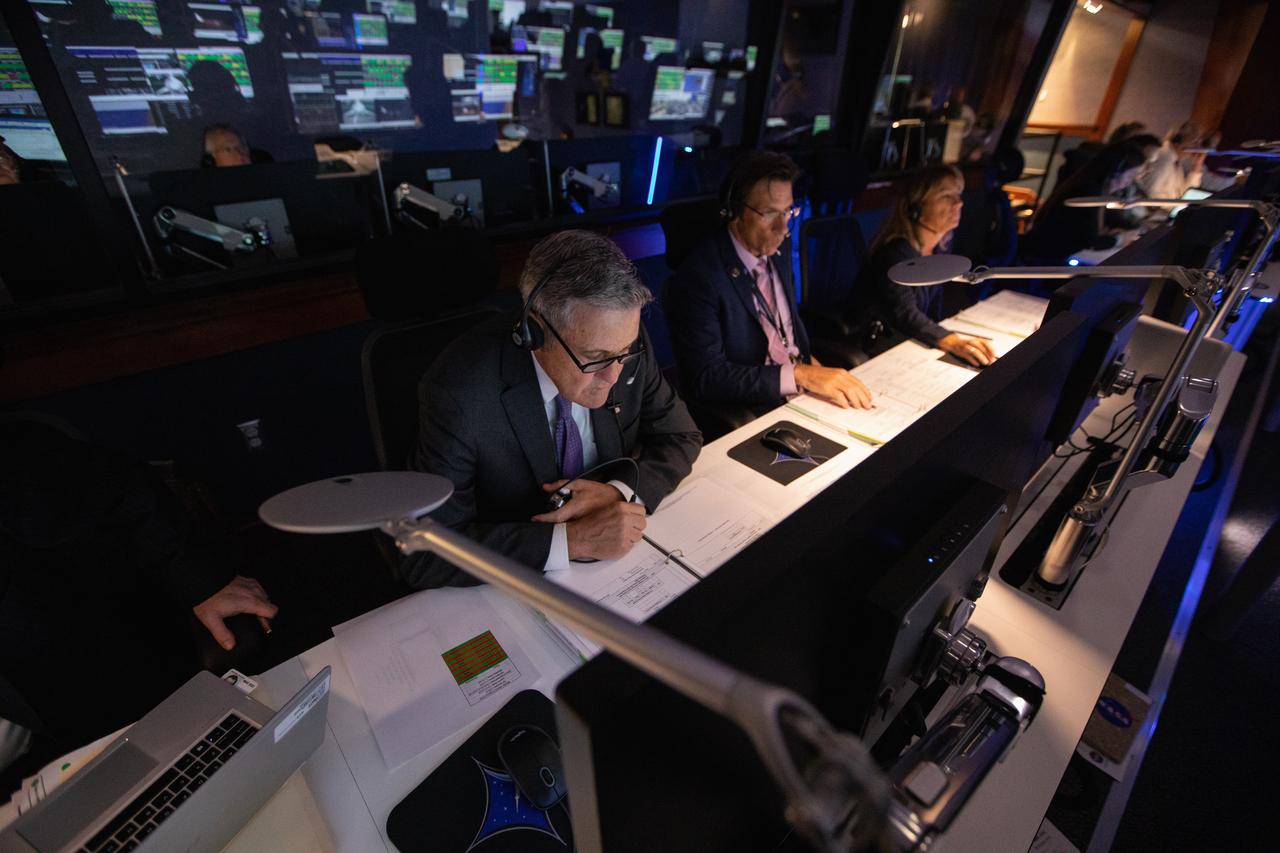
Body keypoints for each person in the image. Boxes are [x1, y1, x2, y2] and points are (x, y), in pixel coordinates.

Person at [405, 230, 702, 588]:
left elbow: (681, 435)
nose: (613, 375)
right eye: (595, 357)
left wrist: (618, 491)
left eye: (625, 352)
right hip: (515, 587)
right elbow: (424, 551)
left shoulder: (623, 344)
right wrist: (572, 541)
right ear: (535, 332)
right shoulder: (459, 395)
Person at [665, 151, 872, 433]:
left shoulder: (777, 247)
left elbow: (787, 334)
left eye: (788, 211)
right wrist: (799, 374)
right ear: (734, 212)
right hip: (757, 408)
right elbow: (707, 377)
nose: (783, 228)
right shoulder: (698, 279)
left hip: (802, 393)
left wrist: (815, 372)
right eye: (771, 213)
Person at [851, 164, 996, 367]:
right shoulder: (895, 254)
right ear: (916, 207)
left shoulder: (937, 251)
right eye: (946, 196)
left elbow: (932, 311)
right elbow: (905, 314)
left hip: (911, 340)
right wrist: (952, 341)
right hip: (881, 345)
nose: (959, 203)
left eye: (958, 194)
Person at [1021, 134, 1161, 264]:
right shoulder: (1088, 191)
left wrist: (1130, 230)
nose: (1129, 182)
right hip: (1046, 258)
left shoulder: (1096, 188)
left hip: (1054, 255)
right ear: (1116, 170)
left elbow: (1104, 222)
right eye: (1130, 176)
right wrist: (1119, 239)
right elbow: (1088, 240)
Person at [1138, 121, 1205, 201]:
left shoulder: (1175, 160)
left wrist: (1197, 166)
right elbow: (1150, 193)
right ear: (1179, 143)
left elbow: (1185, 194)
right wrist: (1174, 205)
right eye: (1194, 142)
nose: (1197, 148)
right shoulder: (1164, 158)